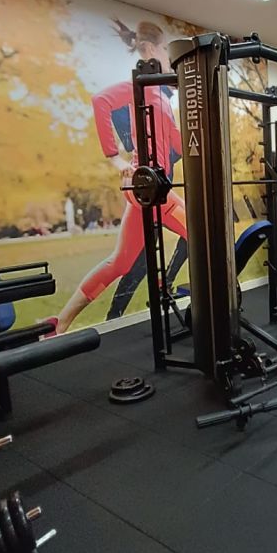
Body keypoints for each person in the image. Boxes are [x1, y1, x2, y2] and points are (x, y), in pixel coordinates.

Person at [55, 22, 187, 333]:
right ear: (150, 50)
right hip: (147, 184)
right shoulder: (140, 86)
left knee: (120, 262)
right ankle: (194, 297)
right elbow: (100, 101)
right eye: (166, 49)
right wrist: (113, 157)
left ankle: (58, 324)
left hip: (148, 186)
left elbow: (175, 142)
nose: (171, 58)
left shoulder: (162, 96)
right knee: (202, 232)